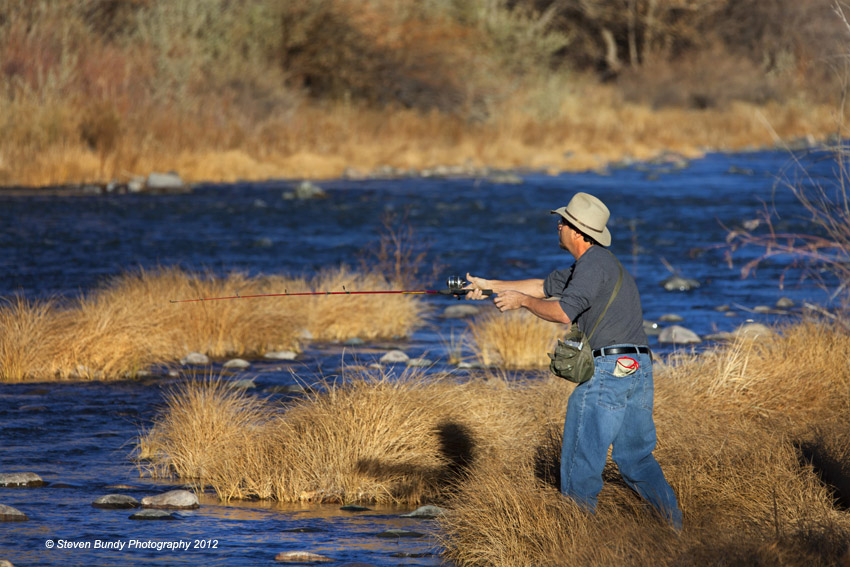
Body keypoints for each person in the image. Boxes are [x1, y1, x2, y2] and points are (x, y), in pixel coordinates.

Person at [464, 192, 683, 529]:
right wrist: (489, 285)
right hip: (638, 368)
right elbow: (542, 286)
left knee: (581, 462)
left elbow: (563, 312)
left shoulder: (592, 266)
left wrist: (520, 302)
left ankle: (576, 542)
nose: (558, 226)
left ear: (578, 231)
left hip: (610, 370)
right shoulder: (598, 265)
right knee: (636, 460)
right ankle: (675, 531)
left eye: (563, 222)